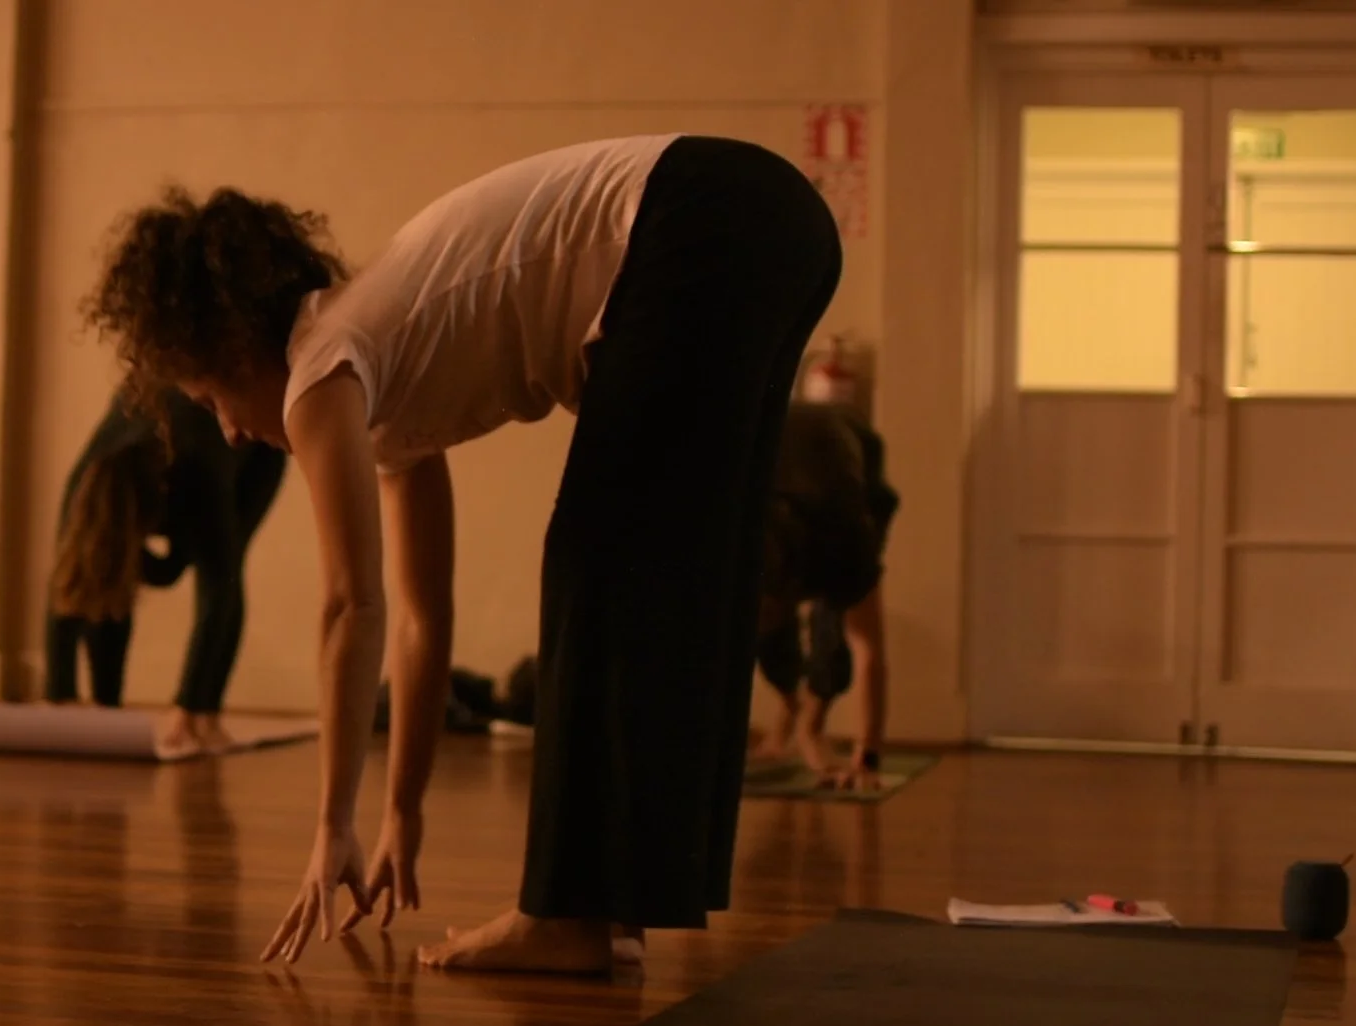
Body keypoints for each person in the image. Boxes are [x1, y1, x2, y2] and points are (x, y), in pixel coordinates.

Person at [81, 134, 848, 975]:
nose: (228, 432)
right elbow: (420, 617)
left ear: (234, 350)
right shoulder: (379, 374)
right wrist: (402, 811)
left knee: (594, 560)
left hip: (701, 214)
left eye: (210, 401)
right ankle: (611, 909)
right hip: (778, 224)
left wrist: (331, 825)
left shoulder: (321, 364)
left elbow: (351, 605)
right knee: (683, 562)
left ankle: (565, 917)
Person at [44, 383, 286, 756]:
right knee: (100, 576)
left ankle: (203, 714)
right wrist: (60, 696)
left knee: (227, 567)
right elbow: (70, 593)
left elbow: (218, 590)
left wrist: (186, 704)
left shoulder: (197, 478)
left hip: (255, 452)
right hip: (169, 434)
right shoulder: (86, 488)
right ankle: (109, 704)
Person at [750, 401, 898, 792]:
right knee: (762, 632)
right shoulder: (746, 543)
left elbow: (870, 652)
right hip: (774, 453)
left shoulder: (850, 550)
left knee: (833, 629)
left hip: (854, 456)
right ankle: (791, 708)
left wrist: (867, 759)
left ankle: (812, 724)